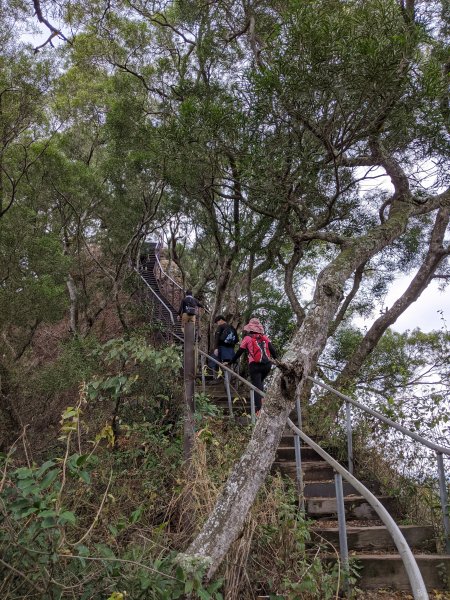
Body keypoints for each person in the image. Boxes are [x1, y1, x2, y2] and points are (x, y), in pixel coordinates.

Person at [228, 318, 277, 414]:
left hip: (255, 365)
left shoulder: (247, 338)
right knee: (260, 383)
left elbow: (240, 351)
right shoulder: (264, 337)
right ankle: (262, 402)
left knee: (256, 387)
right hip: (267, 365)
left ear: (250, 328)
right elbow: (272, 350)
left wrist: (231, 362)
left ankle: (258, 410)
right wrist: (277, 360)